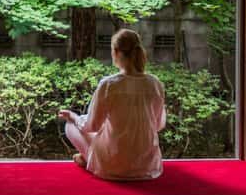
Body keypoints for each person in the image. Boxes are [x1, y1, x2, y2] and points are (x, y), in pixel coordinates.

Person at [58, 29, 166, 180]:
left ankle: (91, 160)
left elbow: (91, 126)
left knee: (70, 125)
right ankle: (91, 159)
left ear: (115, 52)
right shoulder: (155, 84)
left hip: (112, 166)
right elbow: (158, 125)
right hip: (146, 166)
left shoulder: (109, 84)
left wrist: (73, 116)